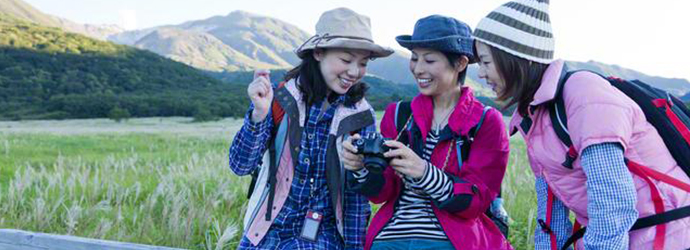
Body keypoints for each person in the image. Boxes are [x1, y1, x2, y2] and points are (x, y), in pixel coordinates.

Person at [473, 0, 690, 249]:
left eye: (486, 62)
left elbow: (612, 209)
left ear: (519, 58)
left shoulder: (585, 96)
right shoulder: (534, 117)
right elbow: (551, 218)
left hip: (668, 238)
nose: (480, 73)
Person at [228, 7, 393, 250]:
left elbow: (355, 197)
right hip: (264, 234)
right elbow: (241, 165)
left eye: (363, 63)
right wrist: (259, 114)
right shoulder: (280, 98)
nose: (354, 72)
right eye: (346, 60)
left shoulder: (360, 116)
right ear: (318, 53)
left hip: (323, 238)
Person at [342, 15, 512, 250]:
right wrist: (360, 168)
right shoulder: (398, 115)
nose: (418, 68)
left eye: (429, 60)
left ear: (461, 63)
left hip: (452, 240)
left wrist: (424, 172)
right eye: (414, 58)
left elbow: (477, 200)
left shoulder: (485, 121)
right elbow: (382, 193)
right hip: (389, 239)